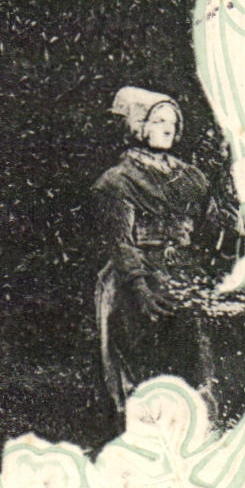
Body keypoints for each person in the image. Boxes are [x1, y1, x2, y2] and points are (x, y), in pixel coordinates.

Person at [92, 87, 227, 418]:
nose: (167, 128)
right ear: (136, 124)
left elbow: (213, 228)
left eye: (172, 121)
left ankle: (210, 414)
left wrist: (230, 202)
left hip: (186, 270)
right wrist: (138, 284)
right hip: (137, 273)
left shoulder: (192, 177)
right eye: (158, 120)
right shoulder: (118, 181)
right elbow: (121, 242)